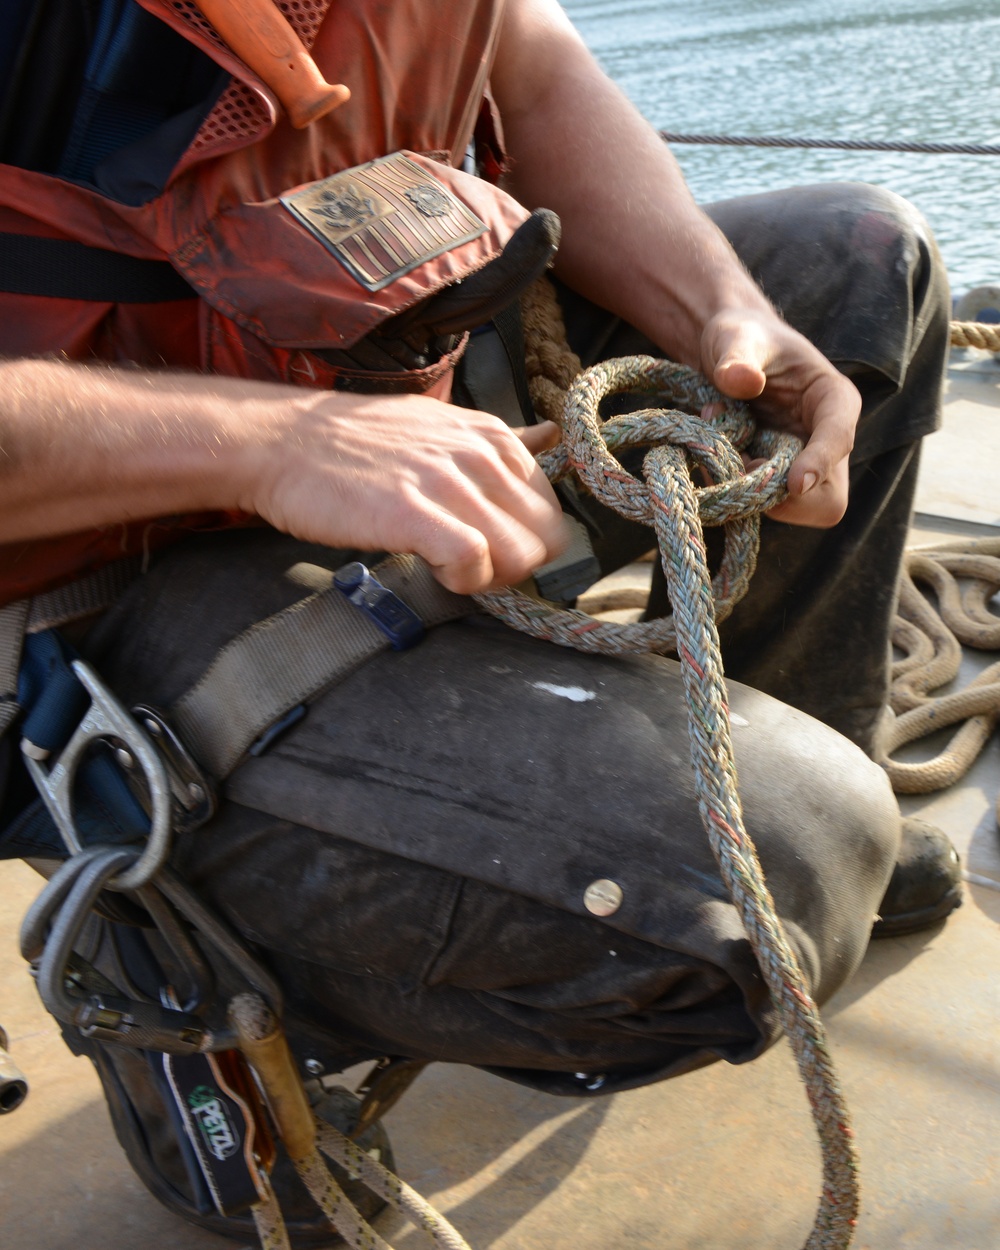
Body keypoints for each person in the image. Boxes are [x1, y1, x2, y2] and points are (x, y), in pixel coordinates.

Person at [0, 0, 962, 1241]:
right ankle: (181, 976)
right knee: (782, 860)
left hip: (368, 398)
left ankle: (772, 734)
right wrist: (268, 445)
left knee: (855, 260)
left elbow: (528, 58)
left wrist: (723, 313)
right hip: (89, 580)